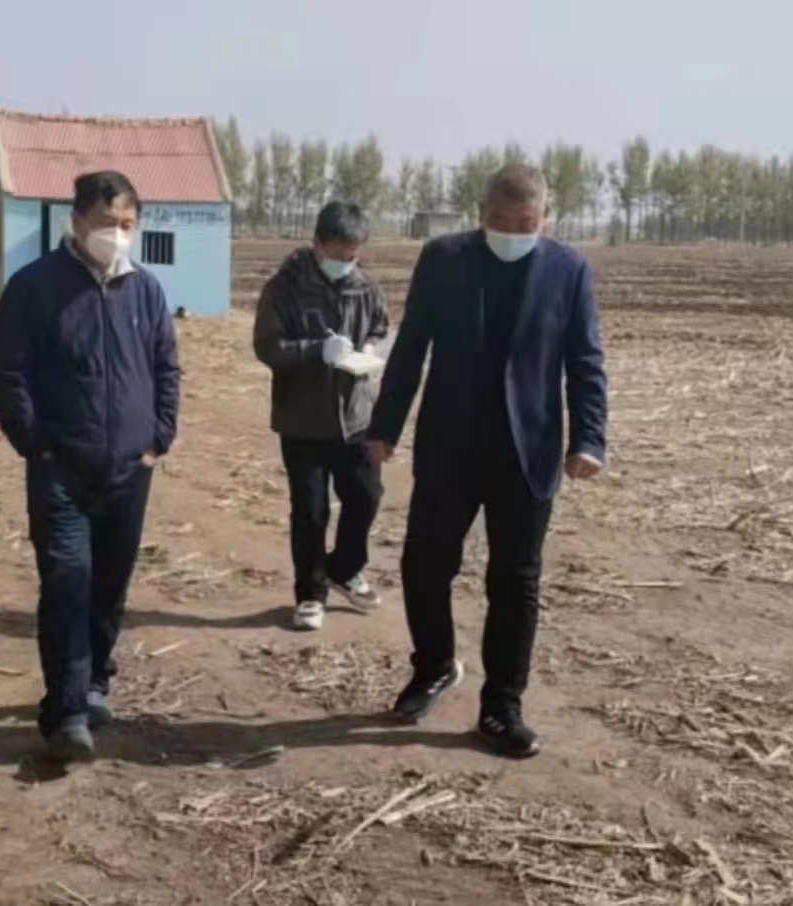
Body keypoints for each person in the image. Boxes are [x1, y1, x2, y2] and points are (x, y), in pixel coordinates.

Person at [368, 163, 608, 758]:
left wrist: (589, 439)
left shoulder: (569, 271)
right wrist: (385, 428)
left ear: (546, 219)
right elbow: (411, 348)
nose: (511, 232)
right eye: (499, 220)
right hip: (450, 447)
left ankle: (502, 706)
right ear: (480, 214)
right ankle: (433, 667)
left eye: (524, 223)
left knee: (515, 581)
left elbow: (584, 361)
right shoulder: (443, 259)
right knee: (425, 566)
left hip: (526, 453)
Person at [0, 170, 181, 762]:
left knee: (110, 585)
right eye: (104, 222)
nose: (116, 234)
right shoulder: (34, 287)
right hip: (62, 471)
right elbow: (8, 374)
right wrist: (38, 446)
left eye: (127, 223)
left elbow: (166, 367)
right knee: (68, 583)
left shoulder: (145, 290)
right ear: (75, 222)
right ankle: (67, 711)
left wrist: (158, 439)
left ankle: (95, 681)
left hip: (129, 470)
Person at [254, 201, 390, 631]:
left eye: (353, 254)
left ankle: (344, 568)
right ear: (317, 244)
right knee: (311, 512)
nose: (346, 262)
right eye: (338, 253)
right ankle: (310, 593)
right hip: (303, 420)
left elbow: (380, 326)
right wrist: (316, 351)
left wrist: (371, 348)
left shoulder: (366, 288)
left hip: (357, 419)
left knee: (366, 496)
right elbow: (267, 346)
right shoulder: (285, 288)